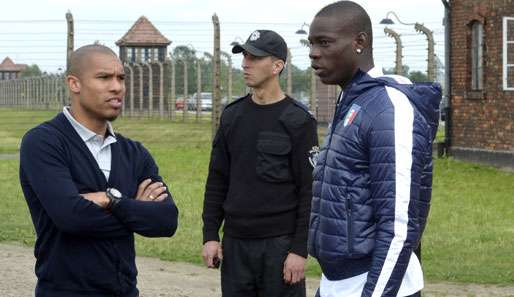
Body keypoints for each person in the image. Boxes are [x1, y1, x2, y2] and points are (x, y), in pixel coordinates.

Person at [19, 44, 179, 297]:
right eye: (104, 77)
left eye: (121, 78)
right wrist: (135, 211)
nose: (117, 87)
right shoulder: (43, 142)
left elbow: (166, 220)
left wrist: (111, 200)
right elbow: (70, 217)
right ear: (74, 84)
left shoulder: (133, 152)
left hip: (125, 291)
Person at [307, 1, 441, 297]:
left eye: (324, 43)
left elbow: (399, 227)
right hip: (337, 283)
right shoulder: (352, 102)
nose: (313, 53)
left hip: (373, 284)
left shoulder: (388, 109)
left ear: (359, 42)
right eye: (311, 43)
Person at [201, 30, 318, 297]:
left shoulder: (299, 121)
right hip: (235, 245)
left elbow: (309, 191)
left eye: (254, 57)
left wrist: (299, 250)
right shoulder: (232, 116)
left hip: (279, 246)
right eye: (244, 56)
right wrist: (210, 235)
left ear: (277, 66)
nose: (245, 63)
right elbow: (217, 180)